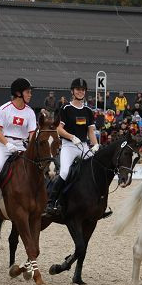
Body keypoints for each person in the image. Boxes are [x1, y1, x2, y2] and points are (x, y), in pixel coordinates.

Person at [45, 78, 99, 216]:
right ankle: (51, 202)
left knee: (96, 169)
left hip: (83, 146)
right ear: (72, 91)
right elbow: (59, 129)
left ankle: (98, 201)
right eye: (78, 89)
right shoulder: (66, 108)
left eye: (82, 90)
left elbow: (91, 132)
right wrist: (71, 137)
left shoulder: (88, 110)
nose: (80, 92)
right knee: (63, 172)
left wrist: (96, 144)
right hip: (69, 146)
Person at [0, 78, 36, 211]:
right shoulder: (4, 109)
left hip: (21, 146)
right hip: (3, 145)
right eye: (28, 92)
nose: (30, 94)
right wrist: (8, 144)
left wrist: (32, 148)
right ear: (18, 93)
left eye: (30, 92)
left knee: (34, 167)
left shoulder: (30, 112)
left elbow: (32, 134)